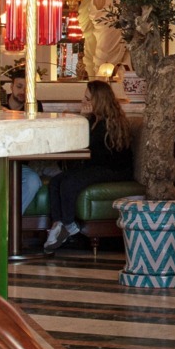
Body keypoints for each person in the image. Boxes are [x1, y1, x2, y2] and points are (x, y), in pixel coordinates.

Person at [42, 80, 132, 252]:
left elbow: (94, 149)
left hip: (115, 169)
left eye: (88, 99)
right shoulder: (93, 120)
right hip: (97, 167)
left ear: (99, 101)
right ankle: (57, 225)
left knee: (69, 183)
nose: (83, 101)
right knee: (56, 182)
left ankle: (69, 226)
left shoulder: (111, 123)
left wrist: (83, 119)